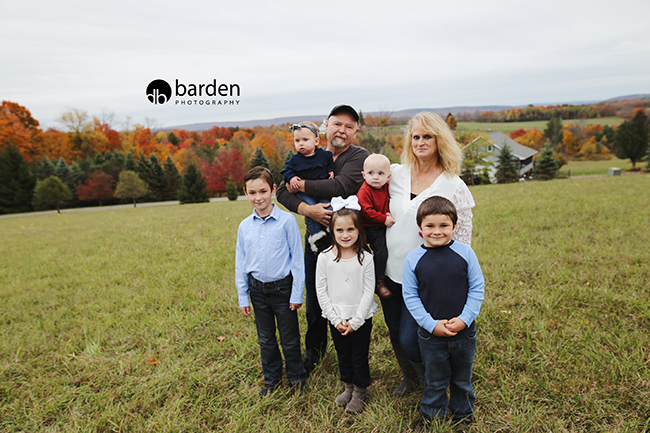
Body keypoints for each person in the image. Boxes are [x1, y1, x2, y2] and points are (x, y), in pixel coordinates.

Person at [381, 112, 475, 397]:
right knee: (396, 333)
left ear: (439, 140)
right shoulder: (395, 175)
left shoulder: (453, 184)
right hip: (391, 270)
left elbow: (463, 240)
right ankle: (411, 378)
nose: (420, 142)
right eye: (415, 137)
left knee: (412, 339)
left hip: (428, 277)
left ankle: (436, 379)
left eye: (427, 137)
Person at [276, 104, 369, 371]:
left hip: (347, 245)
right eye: (337, 124)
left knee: (347, 299)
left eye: (349, 127)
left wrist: (300, 185)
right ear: (325, 126)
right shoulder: (306, 152)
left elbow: (340, 185)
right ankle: (314, 354)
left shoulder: (358, 156)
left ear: (355, 132)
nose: (342, 130)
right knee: (315, 302)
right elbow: (281, 191)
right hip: (315, 243)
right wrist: (307, 210)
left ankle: (350, 357)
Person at [402, 196, 484, 429]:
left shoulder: (465, 253)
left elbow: (477, 288)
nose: (437, 231)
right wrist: (431, 325)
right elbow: (411, 297)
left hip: (464, 333)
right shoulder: (413, 259)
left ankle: (463, 415)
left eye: (444, 225)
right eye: (430, 225)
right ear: (419, 227)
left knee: (462, 378)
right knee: (435, 379)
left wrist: (464, 320)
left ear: (454, 226)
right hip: (431, 335)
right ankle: (431, 415)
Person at [235, 166, 308, 397]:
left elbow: (297, 260)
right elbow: (241, 262)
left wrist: (296, 293)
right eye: (252, 192)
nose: (258, 197)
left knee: (289, 337)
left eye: (263, 191)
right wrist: (243, 296)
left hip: (282, 289)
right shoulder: (244, 226)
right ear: (245, 193)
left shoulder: (287, 221)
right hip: (257, 290)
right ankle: (272, 379)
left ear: (273, 189)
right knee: (265, 338)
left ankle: (296, 377)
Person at [315, 202, 378, 414]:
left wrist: (357, 321)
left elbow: (368, 291)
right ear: (332, 231)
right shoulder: (324, 258)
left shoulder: (366, 258)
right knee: (343, 354)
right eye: (339, 230)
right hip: (337, 318)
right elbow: (321, 291)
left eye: (350, 229)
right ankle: (348, 387)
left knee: (359, 355)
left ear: (359, 230)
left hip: (360, 317)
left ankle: (360, 391)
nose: (345, 234)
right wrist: (335, 320)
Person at [281, 121, 335, 253]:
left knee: (328, 207)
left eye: (305, 140)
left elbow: (330, 163)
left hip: (322, 192)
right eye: (297, 140)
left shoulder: (324, 155)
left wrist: (331, 171)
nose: (301, 143)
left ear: (316, 141)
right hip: (305, 194)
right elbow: (286, 171)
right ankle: (316, 238)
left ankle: (331, 231)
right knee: (311, 210)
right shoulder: (295, 160)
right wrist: (292, 178)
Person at [357, 153, 395, 298]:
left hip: (378, 225)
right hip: (366, 226)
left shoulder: (385, 187)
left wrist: (388, 213)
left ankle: (379, 280)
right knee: (373, 252)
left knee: (382, 252)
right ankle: (373, 281)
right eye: (371, 173)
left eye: (380, 173)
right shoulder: (365, 191)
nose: (375, 177)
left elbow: (387, 202)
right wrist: (384, 219)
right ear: (364, 175)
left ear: (388, 177)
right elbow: (366, 211)